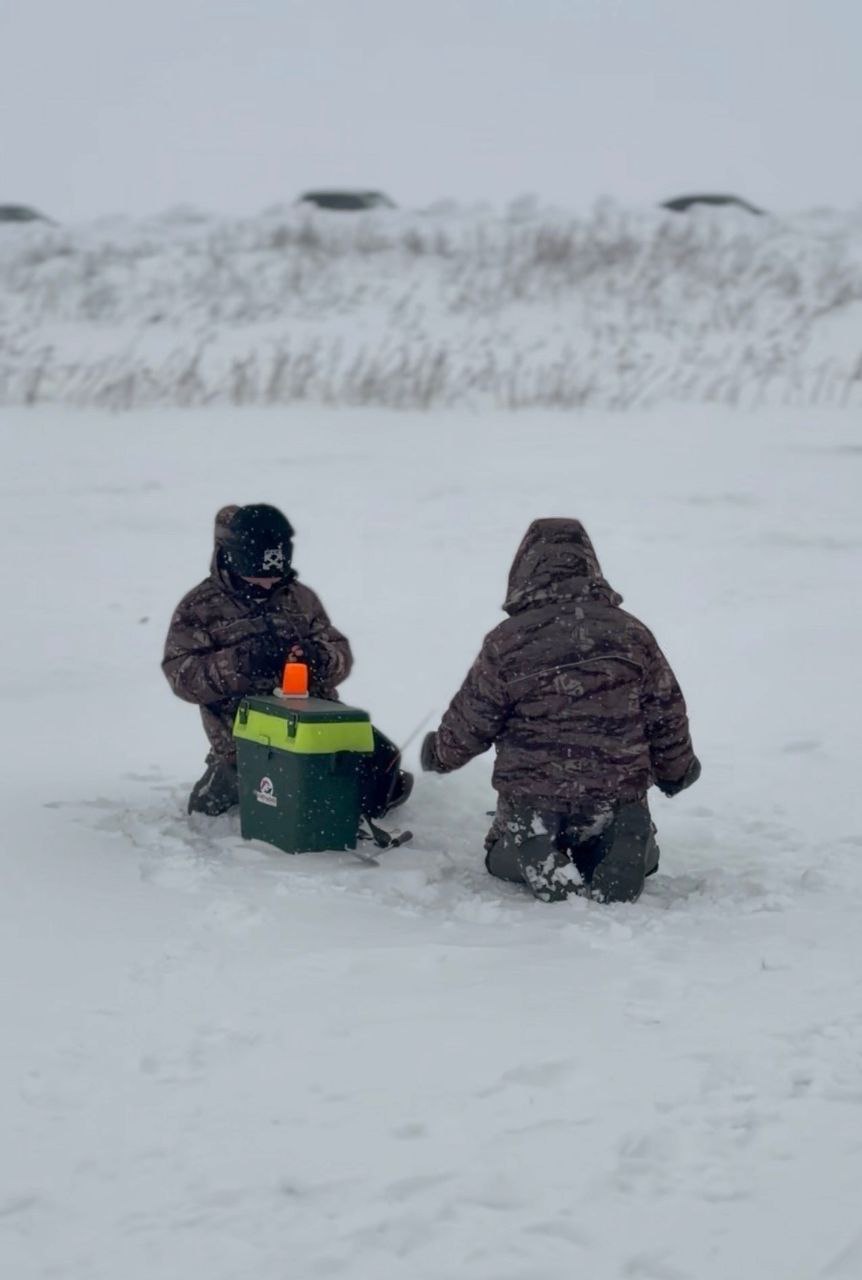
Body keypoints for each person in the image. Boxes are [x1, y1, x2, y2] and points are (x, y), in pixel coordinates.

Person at [420, 518, 700, 903]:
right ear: (590, 566)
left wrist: (439, 753)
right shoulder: (633, 634)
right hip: (613, 797)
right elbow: (665, 714)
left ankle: (527, 844)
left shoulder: (508, 641)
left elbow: (474, 719)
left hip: (536, 798)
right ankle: (628, 834)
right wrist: (677, 772)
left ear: (523, 570)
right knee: (622, 833)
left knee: (498, 856)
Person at [163, 503, 412, 817]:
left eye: (275, 576)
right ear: (234, 562)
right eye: (258, 578)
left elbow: (340, 654)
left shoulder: (299, 598)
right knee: (259, 790)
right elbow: (183, 678)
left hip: (314, 726)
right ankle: (222, 780)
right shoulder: (200, 607)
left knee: (383, 764)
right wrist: (243, 662)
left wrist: (318, 659)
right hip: (245, 737)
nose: (268, 585)